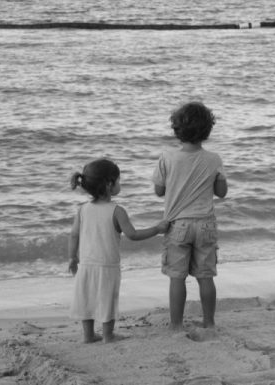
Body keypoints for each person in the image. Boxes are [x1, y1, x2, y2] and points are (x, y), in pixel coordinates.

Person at [69, 158, 169, 344]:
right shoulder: (117, 210)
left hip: (86, 264)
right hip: (108, 265)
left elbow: (74, 235)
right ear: (109, 184)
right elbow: (132, 235)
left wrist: (72, 257)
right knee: (108, 299)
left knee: (87, 298)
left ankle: (88, 335)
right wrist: (157, 229)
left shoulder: (82, 210)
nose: (120, 184)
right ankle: (108, 336)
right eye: (118, 180)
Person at [152, 101, 228, 332]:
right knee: (205, 276)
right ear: (207, 131)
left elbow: (159, 191)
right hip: (205, 224)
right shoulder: (213, 159)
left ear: (176, 130)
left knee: (177, 277)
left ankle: (176, 324)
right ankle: (209, 322)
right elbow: (222, 192)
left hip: (178, 225)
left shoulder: (167, 157)